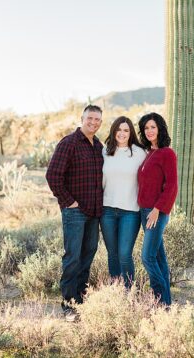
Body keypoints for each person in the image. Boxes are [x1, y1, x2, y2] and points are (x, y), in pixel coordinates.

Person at [45, 104, 104, 321]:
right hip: (75, 212)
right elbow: (52, 175)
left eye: (97, 119)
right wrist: (68, 202)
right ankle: (68, 303)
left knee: (87, 256)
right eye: (90, 118)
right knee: (72, 257)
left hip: (94, 212)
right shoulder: (68, 143)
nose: (93, 122)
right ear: (82, 118)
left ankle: (81, 299)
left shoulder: (98, 146)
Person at [137, 112, 178, 306]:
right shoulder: (149, 153)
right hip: (144, 211)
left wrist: (157, 209)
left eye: (153, 127)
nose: (149, 131)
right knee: (160, 260)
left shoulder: (167, 153)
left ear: (160, 128)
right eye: (146, 128)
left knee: (147, 257)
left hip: (156, 213)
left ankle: (160, 301)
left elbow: (172, 185)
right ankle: (166, 305)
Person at [100, 116, 146, 288]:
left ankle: (130, 292)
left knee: (124, 254)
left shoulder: (139, 152)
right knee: (112, 254)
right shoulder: (105, 151)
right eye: (119, 129)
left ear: (131, 132)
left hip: (131, 211)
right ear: (113, 131)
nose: (122, 133)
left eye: (126, 130)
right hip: (107, 210)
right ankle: (116, 290)